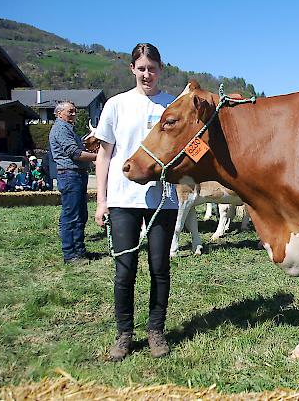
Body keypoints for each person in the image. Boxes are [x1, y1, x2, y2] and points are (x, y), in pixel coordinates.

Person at [93, 43, 178, 361]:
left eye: (152, 68)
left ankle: (156, 331)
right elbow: (104, 155)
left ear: (161, 69)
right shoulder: (116, 105)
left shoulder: (171, 106)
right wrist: (102, 201)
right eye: (141, 68)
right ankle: (124, 335)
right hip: (122, 198)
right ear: (132, 69)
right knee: (125, 269)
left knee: (159, 268)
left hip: (163, 201)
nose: (147, 74)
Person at [49, 100, 97, 264]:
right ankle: (71, 255)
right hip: (70, 176)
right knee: (71, 216)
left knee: (80, 214)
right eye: (70, 111)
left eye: (75, 111)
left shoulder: (68, 129)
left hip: (76, 175)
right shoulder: (61, 129)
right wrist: (100, 157)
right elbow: (75, 153)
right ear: (59, 113)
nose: (74, 114)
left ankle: (80, 251)